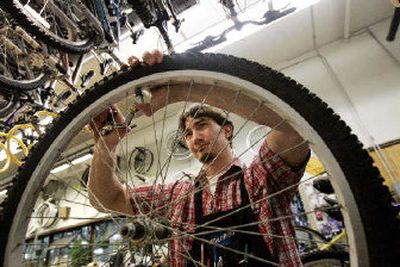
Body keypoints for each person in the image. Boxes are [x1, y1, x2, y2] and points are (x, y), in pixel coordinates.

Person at [88, 50, 310, 267]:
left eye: (201, 125)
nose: (195, 138)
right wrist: (106, 143)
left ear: (227, 130)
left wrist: (182, 88)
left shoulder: (260, 177)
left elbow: (295, 127)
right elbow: (106, 199)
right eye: (188, 134)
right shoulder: (179, 196)